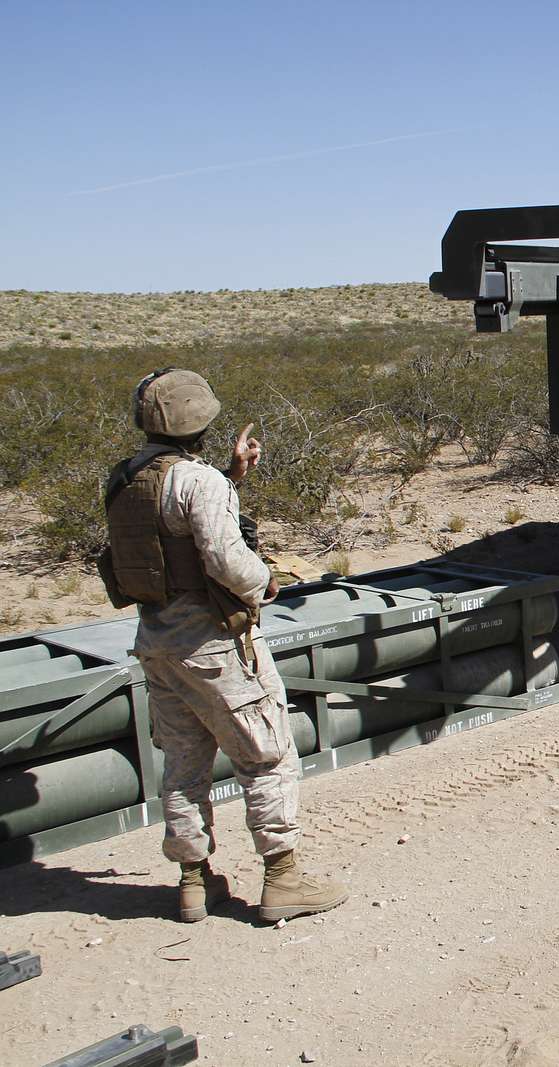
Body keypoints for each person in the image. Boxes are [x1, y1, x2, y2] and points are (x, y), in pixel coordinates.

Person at [99, 369, 348, 923]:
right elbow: (225, 561)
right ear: (201, 420)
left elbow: (172, 531)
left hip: (158, 645)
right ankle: (282, 877)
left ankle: (193, 881)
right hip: (218, 647)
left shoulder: (124, 479)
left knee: (184, 767)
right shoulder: (198, 481)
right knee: (267, 757)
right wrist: (267, 580)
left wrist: (233, 476)